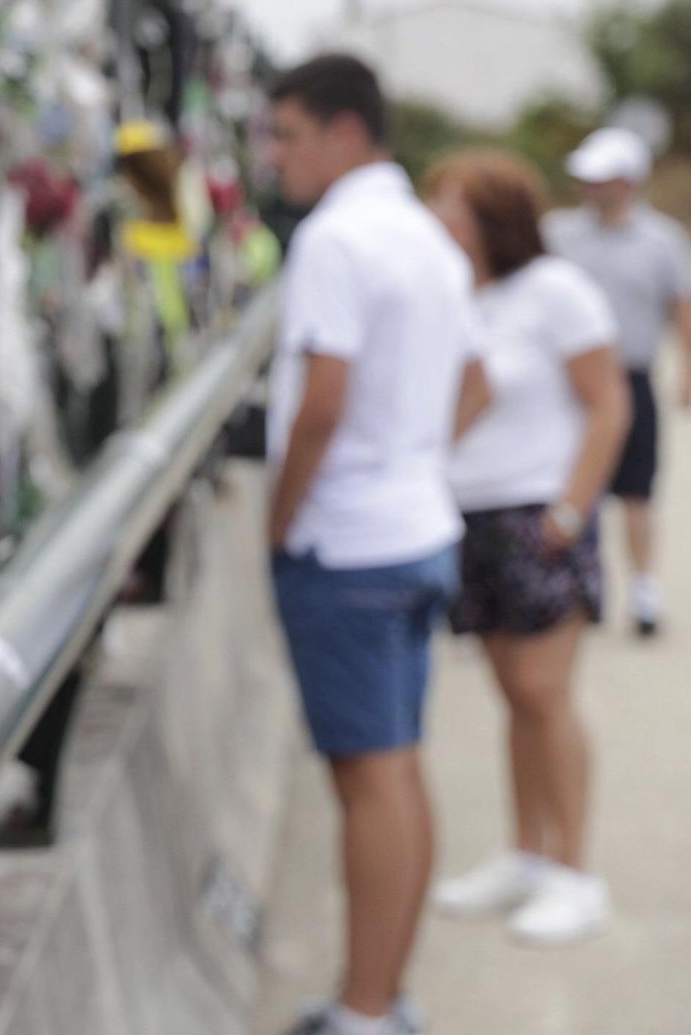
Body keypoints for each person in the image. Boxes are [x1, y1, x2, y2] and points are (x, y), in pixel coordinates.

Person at [265, 55, 485, 1035]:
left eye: (286, 134)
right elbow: (475, 379)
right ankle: (380, 995)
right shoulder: (424, 235)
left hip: (347, 546)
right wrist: (414, 457)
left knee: (368, 778)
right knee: (394, 768)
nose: (274, 156)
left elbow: (319, 403)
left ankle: (361, 1010)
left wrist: (280, 522)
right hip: (414, 526)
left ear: (342, 131)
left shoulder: (334, 237)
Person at [426, 150, 628, 947]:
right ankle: (527, 854)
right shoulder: (463, 296)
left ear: (491, 216)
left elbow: (608, 404)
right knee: (513, 693)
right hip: (472, 515)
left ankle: (577, 872)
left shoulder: (556, 290)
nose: (436, 213)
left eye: (449, 200)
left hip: (538, 513)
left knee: (545, 691)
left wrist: (573, 508)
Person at [545, 126, 691, 636]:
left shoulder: (662, 241)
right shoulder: (558, 232)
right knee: (573, 483)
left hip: (631, 374)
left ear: (628, 182)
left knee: (636, 490)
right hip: (567, 380)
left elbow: (681, 306)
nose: (588, 187)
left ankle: (645, 591)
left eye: (599, 178)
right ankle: (584, 587)